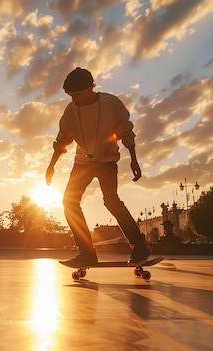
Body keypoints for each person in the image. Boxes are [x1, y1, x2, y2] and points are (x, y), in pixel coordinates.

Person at [45, 67, 151, 267]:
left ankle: (140, 245)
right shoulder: (70, 111)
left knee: (111, 201)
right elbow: (62, 141)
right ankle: (86, 252)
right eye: (70, 96)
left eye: (76, 95)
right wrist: (51, 166)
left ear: (90, 88)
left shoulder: (111, 104)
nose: (74, 100)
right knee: (69, 201)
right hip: (82, 162)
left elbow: (126, 131)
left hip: (107, 160)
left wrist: (134, 159)